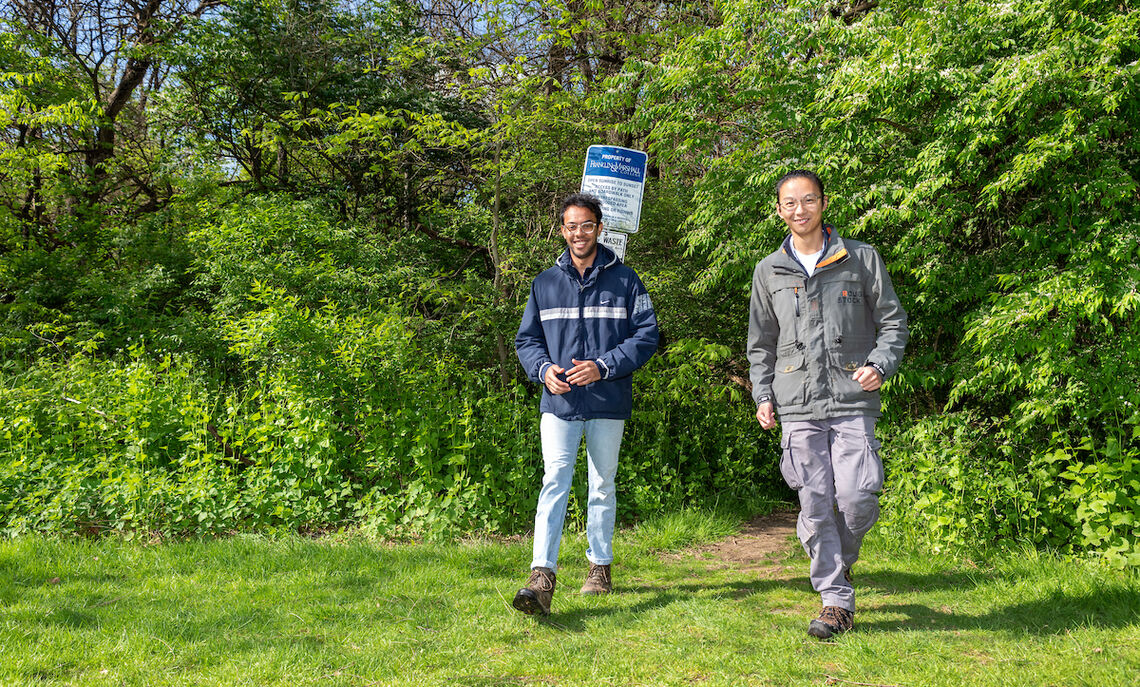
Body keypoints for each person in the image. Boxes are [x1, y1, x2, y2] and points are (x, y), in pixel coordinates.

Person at [747, 170, 907, 639]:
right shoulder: (767, 270)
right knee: (815, 502)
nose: (800, 210)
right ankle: (835, 599)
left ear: (823, 203)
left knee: (858, 498)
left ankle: (835, 560)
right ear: (779, 210)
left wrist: (880, 363)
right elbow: (762, 344)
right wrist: (762, 393)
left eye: (808, 200)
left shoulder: (861, 259)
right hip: (797, 404)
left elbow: (893, 322)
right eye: (790, 203)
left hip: (853, 398)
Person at [512, 192, 659, 616]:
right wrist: (543, 371)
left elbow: (646, 336)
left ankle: (599, 565)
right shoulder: (544, 283)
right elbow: (527, 340)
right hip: (557, 404)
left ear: (599, 228)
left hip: (608, 399)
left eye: (587, 225)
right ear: (562, 230)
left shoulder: (626, 280)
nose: (579, 233)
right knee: (554, 480)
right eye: (571, 226)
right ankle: (542, 573)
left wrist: (603, 366)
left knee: (602, 483)